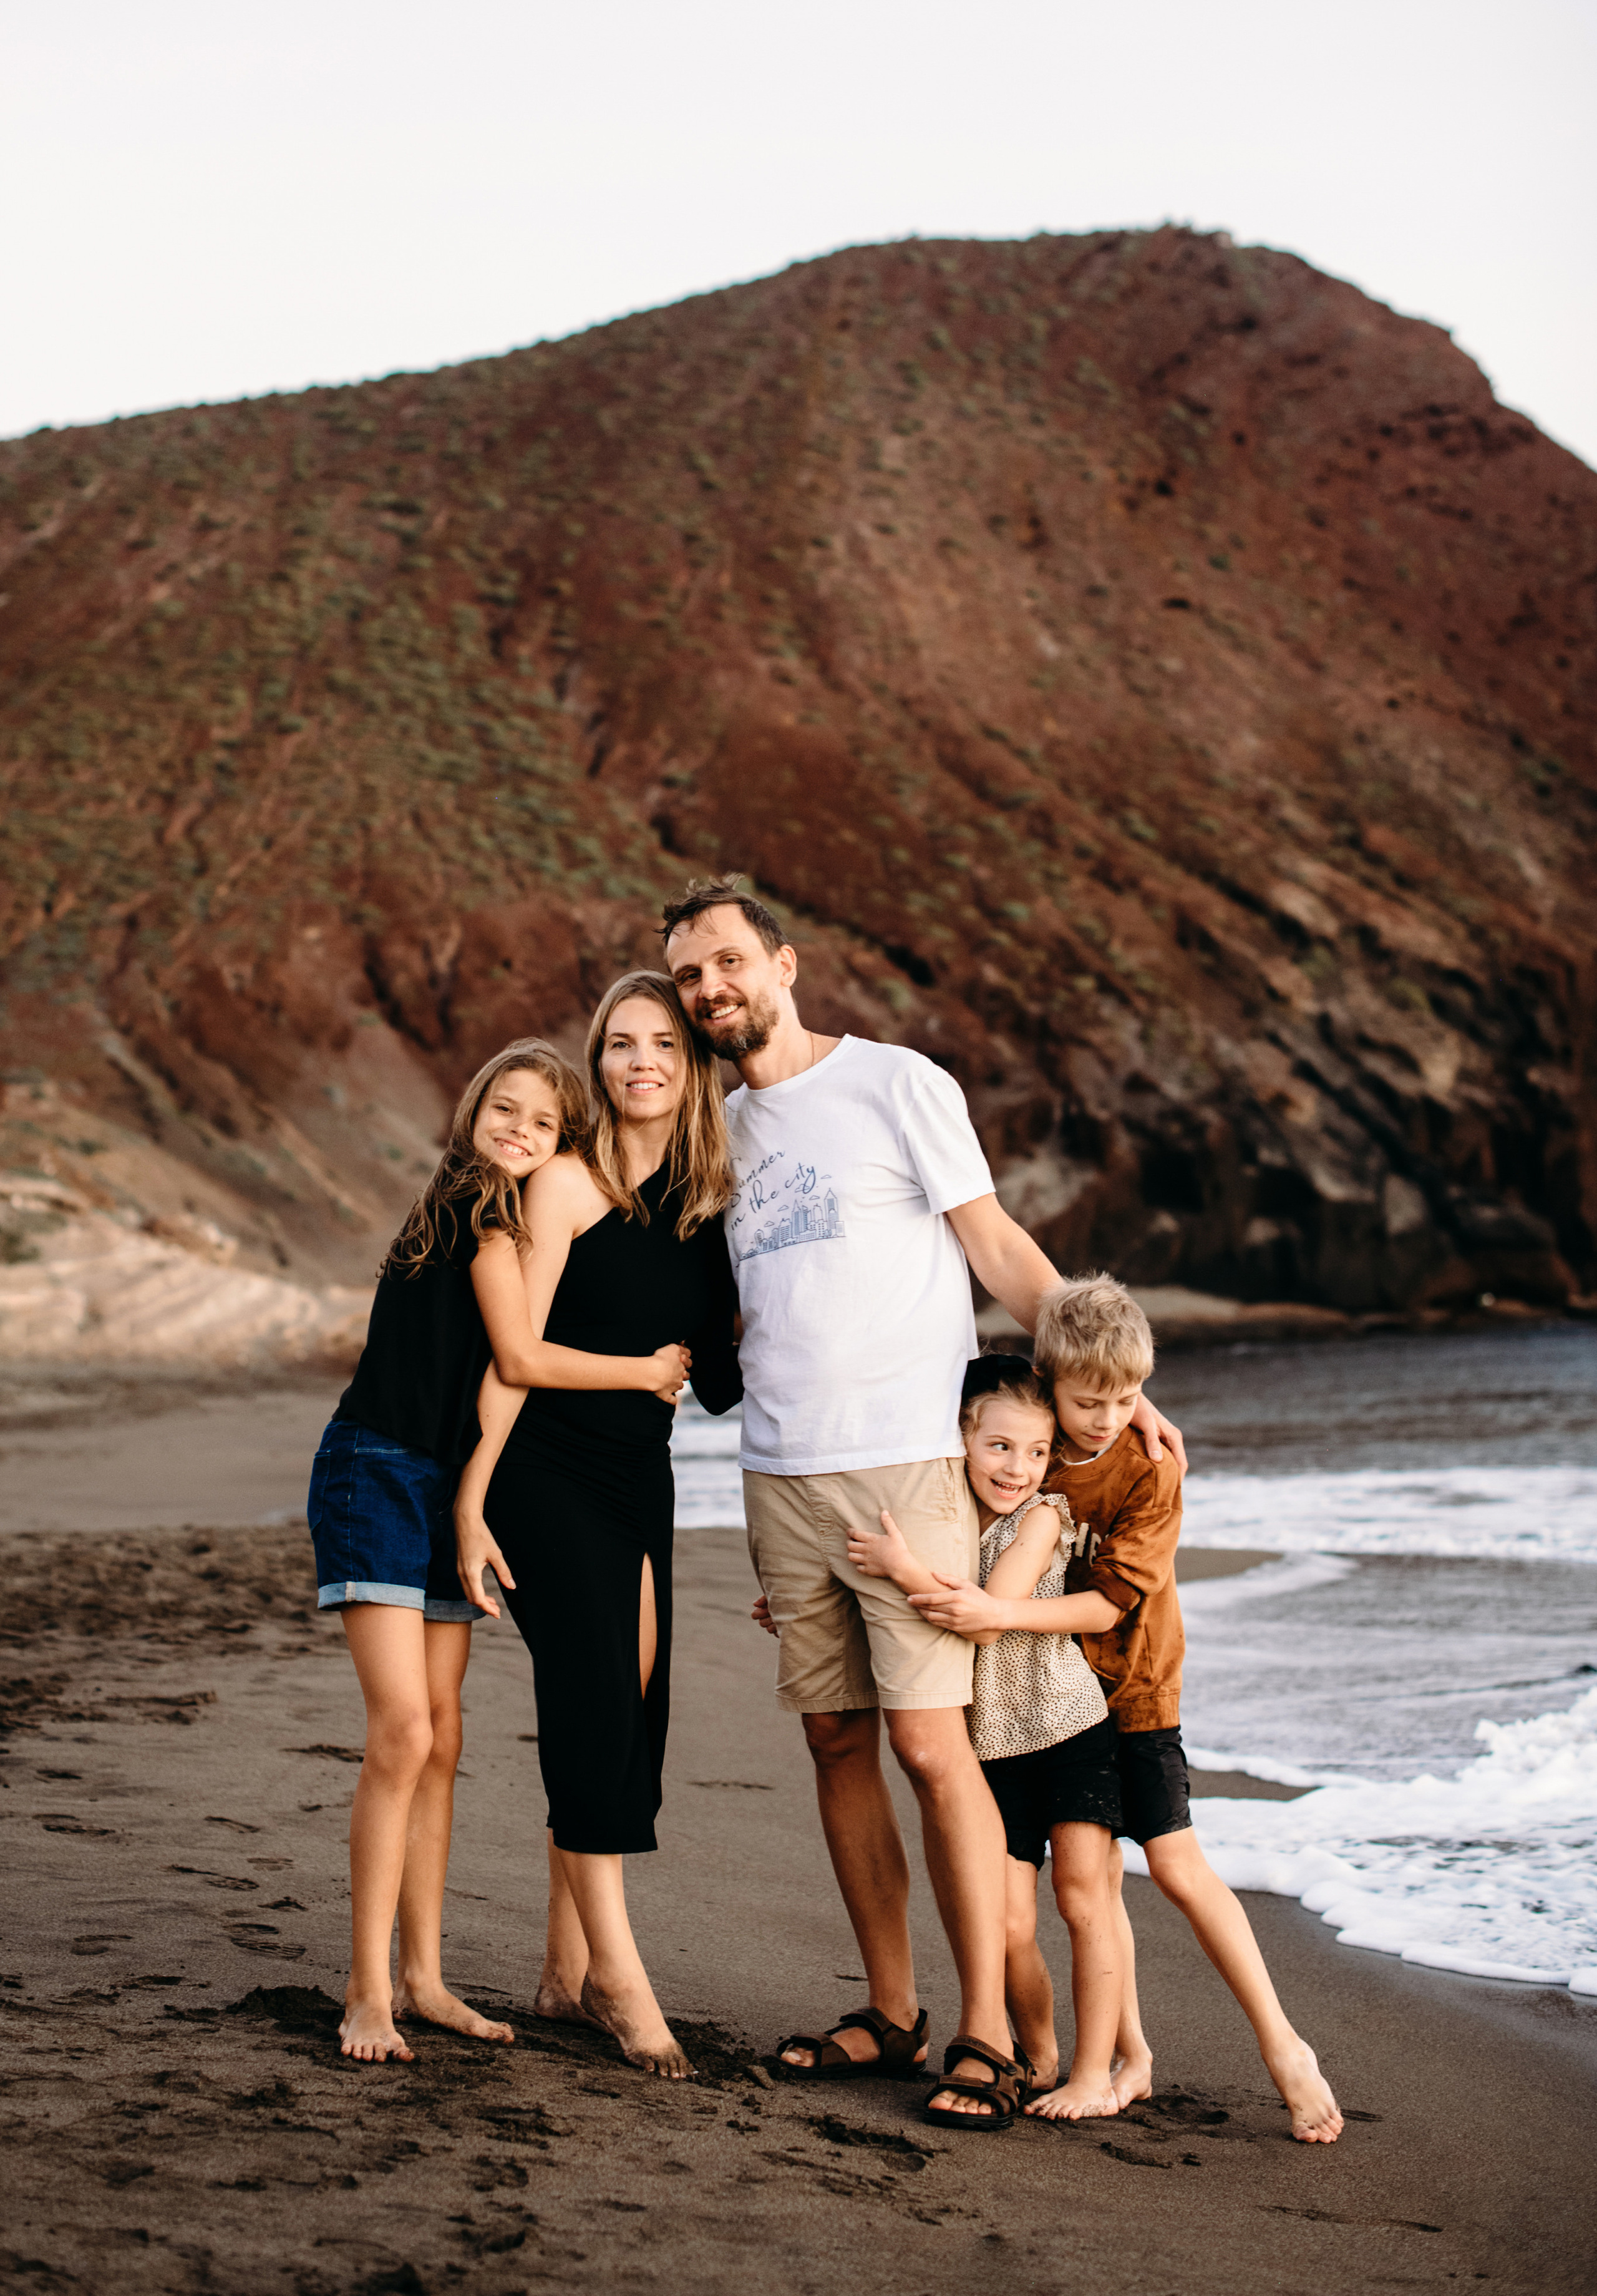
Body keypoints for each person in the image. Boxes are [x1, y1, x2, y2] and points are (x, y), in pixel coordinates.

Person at [661, 873, 1187, 2125]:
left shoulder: (897, 1082)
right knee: (834, 1739)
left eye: (726, 962)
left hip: (906, 1465)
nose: (709, 989)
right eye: (688, 975)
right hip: (779, 1476)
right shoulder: (713, 1129)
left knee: (927, 1745)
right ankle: (889, 2013)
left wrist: (1100, 1380)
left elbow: (996, 1244)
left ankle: (986, 2033)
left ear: (781, 964)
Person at [309, 1038, 691, 2065]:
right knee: (402, 1734)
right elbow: (521, 1357)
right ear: (472, 1110)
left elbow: (504, 1374)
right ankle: (368, 1993)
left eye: (543, 1124)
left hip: (439, 1482)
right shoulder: (477, 1206)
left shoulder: (510, 1215)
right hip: (379, 1471)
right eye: (504, 1110)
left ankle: (426, 1980)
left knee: (444, 1741)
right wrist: (645, 1370)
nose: (519, 1132)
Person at [915, 1272, 1344, 2143]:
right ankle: (1129, 2060)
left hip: (1133, 1691)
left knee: (1177, 1871)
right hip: (1045, 1703)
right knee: (1091, 1891)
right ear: (1051, 1384)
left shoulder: (1151, 1467)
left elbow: (1109, 1606)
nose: (1107, 1416)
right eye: (1090, 1400)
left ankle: (1284, 2045)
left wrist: (999, 1613)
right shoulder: (1025, 1440)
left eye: (1127, 1396)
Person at [454, 971, 743, 2081]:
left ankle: (563, 1975)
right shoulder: (566, 1187)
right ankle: (621, 1978)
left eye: (663, 1045)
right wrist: (474, 1495)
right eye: (620, 1045)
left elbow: (718, 1378)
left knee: (629, 1707)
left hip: (639, 1478)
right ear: (599, 1061)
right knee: (593, 1702)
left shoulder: (705, 1208)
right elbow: (512, 1359)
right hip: (541, 1471)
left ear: (690, 1064)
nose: (641, 1064)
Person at [842, 1356, 1126, 2126]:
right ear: (960, 1436)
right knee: (1004, 1926)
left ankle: (1096, 2071)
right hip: (992, 1752)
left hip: (1068, 1732)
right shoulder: (952, 1519)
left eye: (1036, 1452)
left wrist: (899, 1567)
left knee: (1082, 1897)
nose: (1019, 1468)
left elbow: (987, 1610)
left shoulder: (1043, 1519)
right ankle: (1037, 2054)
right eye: (999, 1446)